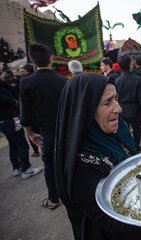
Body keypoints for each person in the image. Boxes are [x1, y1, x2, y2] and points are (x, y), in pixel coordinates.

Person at [54, 73, 141, 240]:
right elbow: (109, 220)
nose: (119, 108)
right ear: (85, 110)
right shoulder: (80, 165)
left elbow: (125, 150)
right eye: (107, 102)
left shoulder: (117, 127)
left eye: (116, 99)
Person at [20, 42, 67, 210]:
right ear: (51, 59)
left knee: (50, 166)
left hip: (47, 133)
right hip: (66, 132)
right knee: (67, 162)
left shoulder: (27, 83)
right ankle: (69, 194)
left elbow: (25, 114)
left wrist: (30, 134)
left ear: (33, 61)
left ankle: (54, 199)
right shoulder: (63, 81)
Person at [0, 76, 42, 178]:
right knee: (22, 144)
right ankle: (26, 169)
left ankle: (16, 167)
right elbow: (9, 101)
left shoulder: (4, 86)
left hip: (5, 121)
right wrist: (14, 102)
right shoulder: (3, 90)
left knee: (13, 144)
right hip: (10, 119)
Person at [116, 54, 141, 152]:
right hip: (136, 112)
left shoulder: (117, 81)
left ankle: (129, 149)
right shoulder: (137, 80)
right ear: (130, 65)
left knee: (125, 133)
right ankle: (136, 148)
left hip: (122, 111)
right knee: (137, 133)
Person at [18, 63, 40, 157]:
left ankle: (36, 151)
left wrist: (28, 131)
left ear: (28, 70)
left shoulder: (25, 81)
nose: (20, 72)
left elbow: (24, 106)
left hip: (35, 119)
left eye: (22, 70)